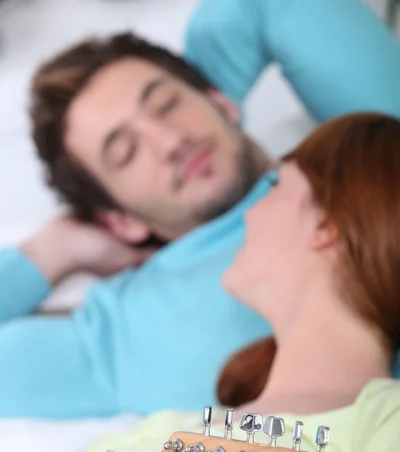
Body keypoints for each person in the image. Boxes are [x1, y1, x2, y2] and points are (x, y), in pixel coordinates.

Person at [2, 112, 400, 452]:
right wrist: (54, 248)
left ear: (324, 224)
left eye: (273, 187)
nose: (249, 213)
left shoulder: (389, 428)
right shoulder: (167, 429)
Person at [1, 0, 400, 419]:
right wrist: (51, 252)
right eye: (126, 151)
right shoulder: (125, 334)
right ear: (120, 220)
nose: (171, 142)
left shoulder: (362, 157)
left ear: (221, 100)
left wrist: (217, 107)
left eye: (167, 104)